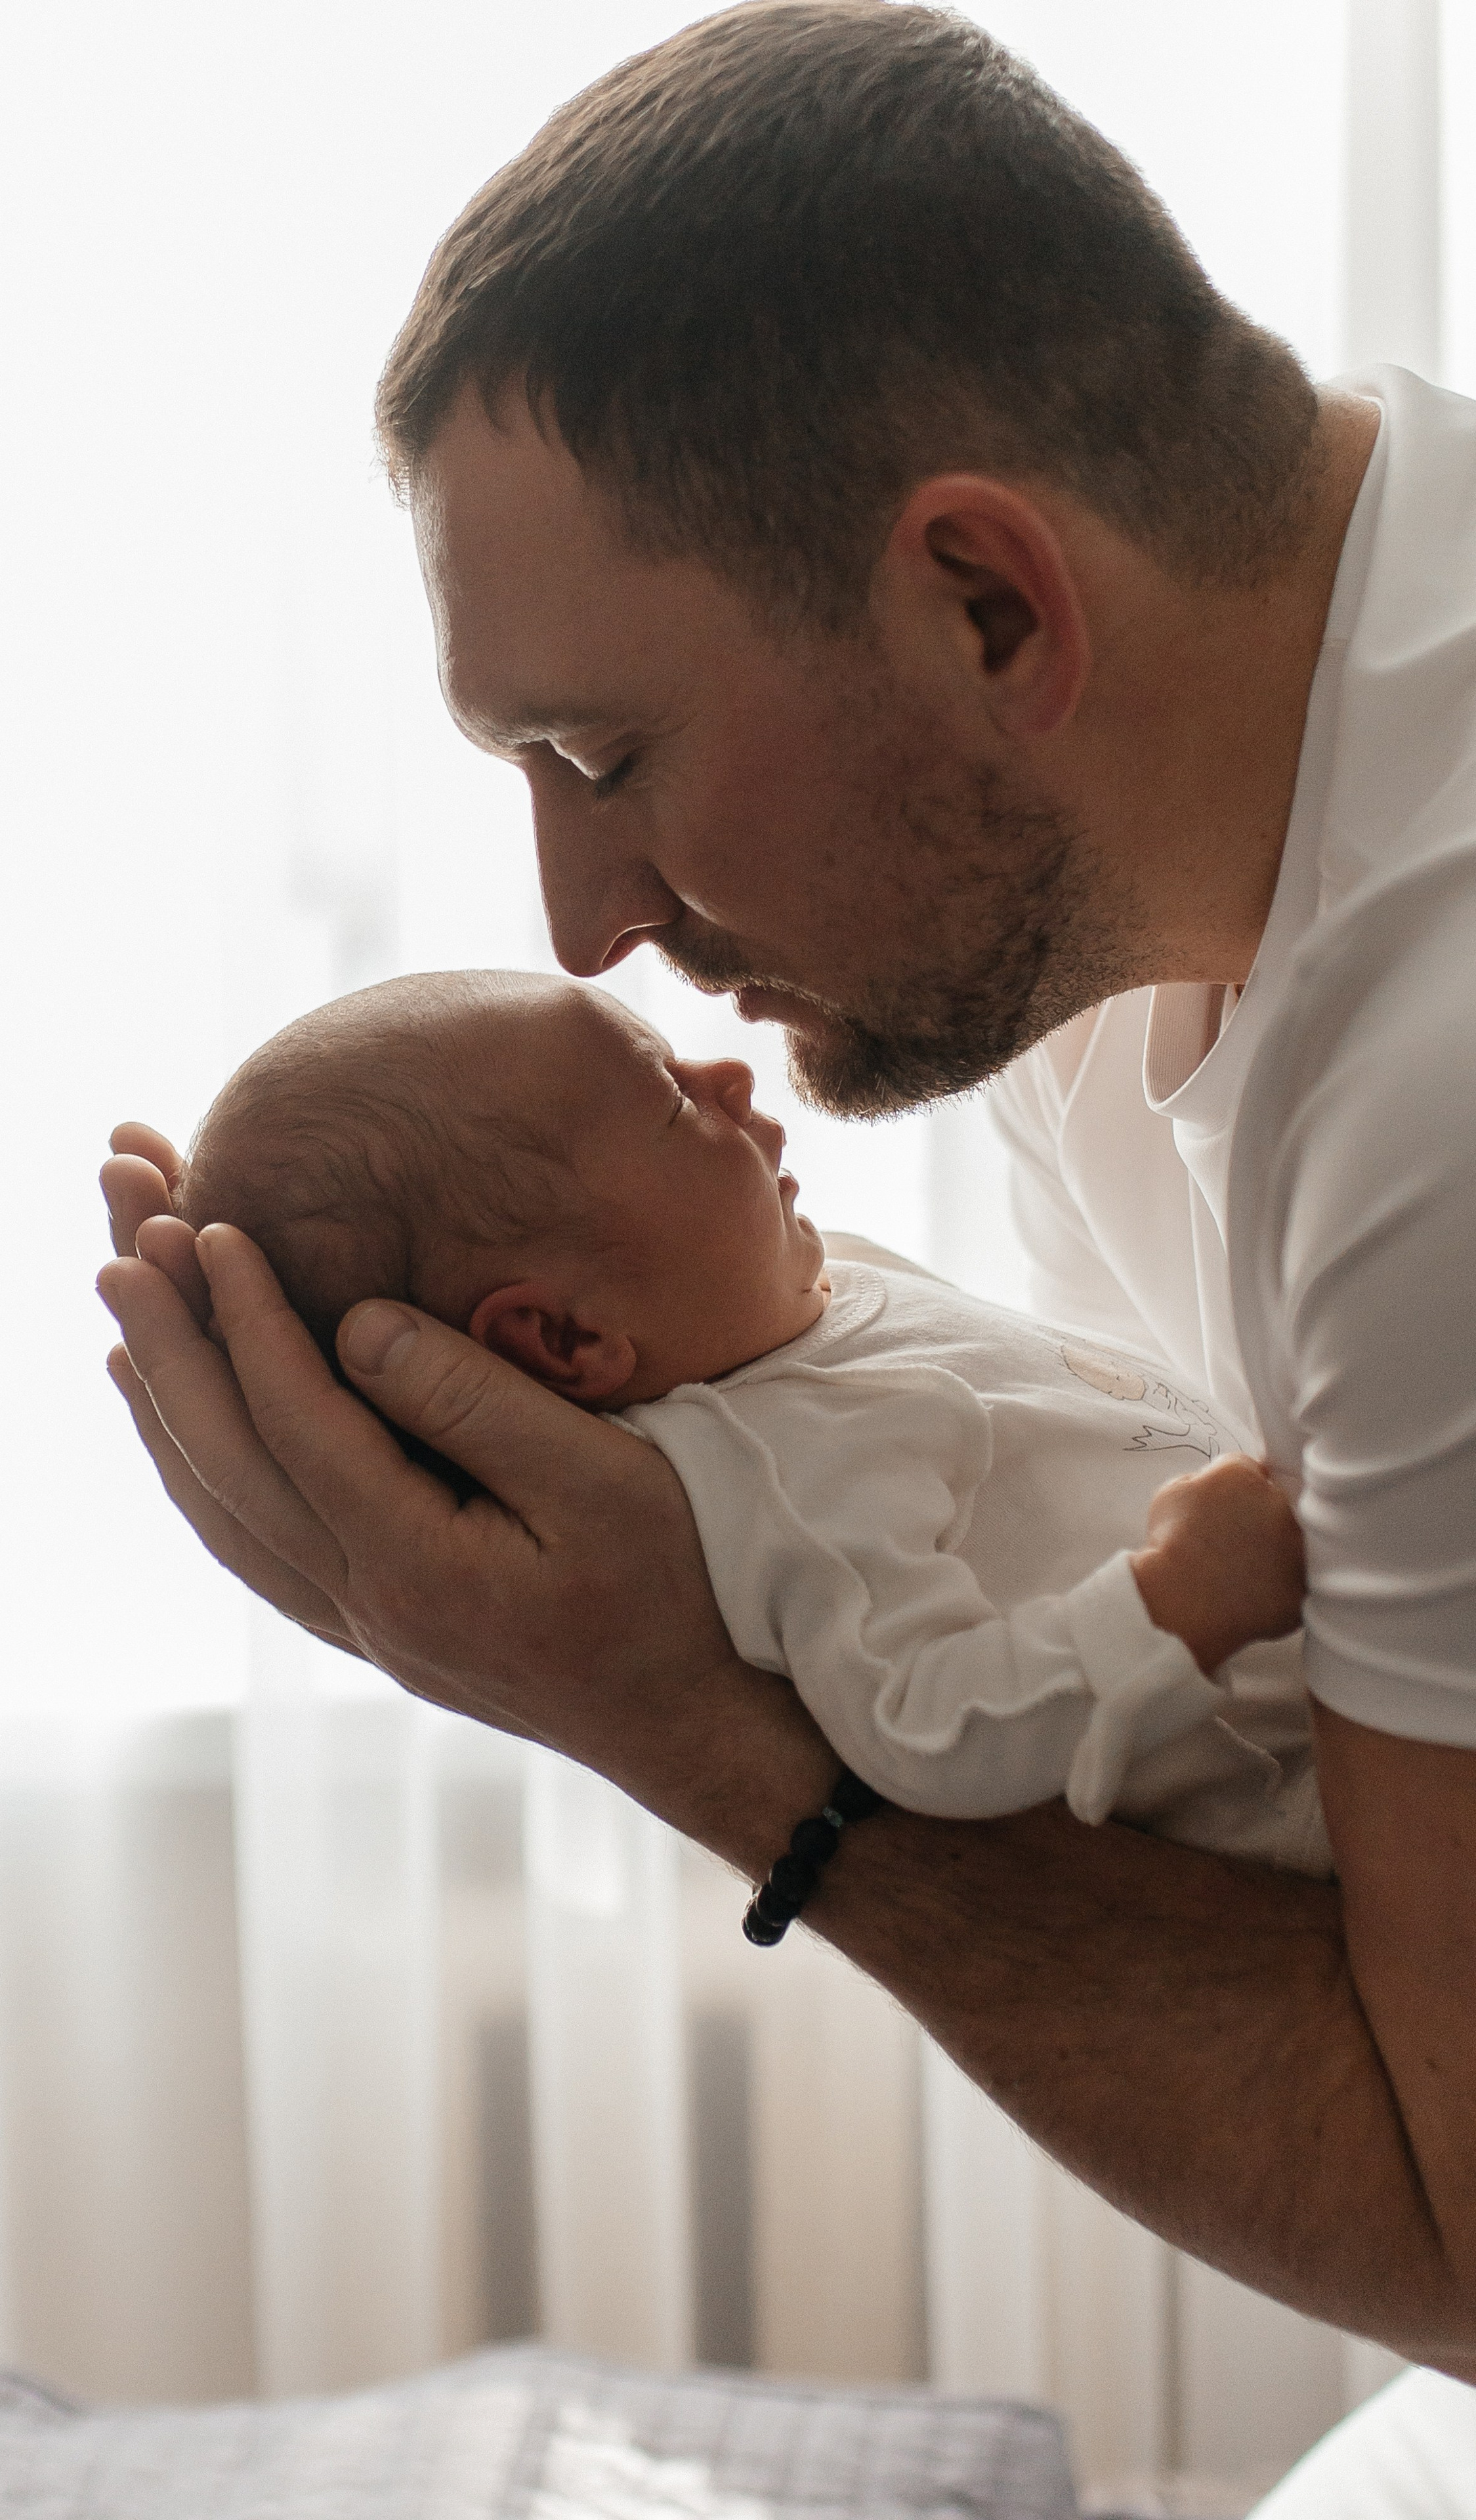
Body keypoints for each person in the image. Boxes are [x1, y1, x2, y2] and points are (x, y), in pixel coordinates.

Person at [98, 4, 1476, 2502]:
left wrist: (677, 1725)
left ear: (984, 603)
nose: (585, 921)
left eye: (607, 764)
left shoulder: (1448, 1090)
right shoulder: (1150, 853)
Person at [174, 967, 1318, 1865]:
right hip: (1296, 1793)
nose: (729, 1075)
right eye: (671, 1100)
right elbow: (925, 1727)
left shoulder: (811, 1300)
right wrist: (1176, 1604)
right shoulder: (778, 1474)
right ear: (566, 1338)